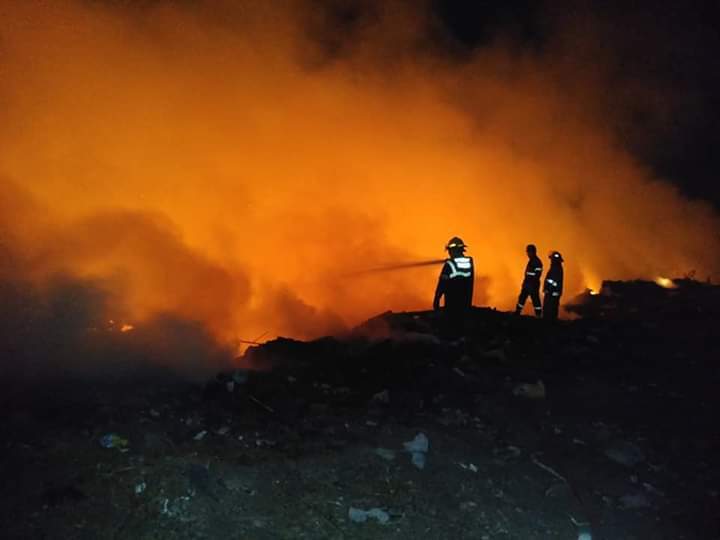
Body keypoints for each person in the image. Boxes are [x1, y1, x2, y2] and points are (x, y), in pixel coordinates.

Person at [433, 236, 474, 316]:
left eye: (450, 251)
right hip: (465, 305)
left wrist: (437, 299)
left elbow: (442, 284)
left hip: (451, 306)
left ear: (451, 251)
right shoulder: (469, 262)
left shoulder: (450, 264)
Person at [515, 244, 543, 317]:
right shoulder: (532, 261)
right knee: (522, 298)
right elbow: (528, 274)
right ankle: (517, 312)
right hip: (528, 284)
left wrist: (531, 283)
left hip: (532, 284)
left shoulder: (537, 261)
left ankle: (538, 315)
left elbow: (537, 274)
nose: (527, 254)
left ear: (532, 252)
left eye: (528, 252)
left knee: (535, 300)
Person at [543, 251, 564, 320]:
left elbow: (555, 281)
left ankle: (550, 322)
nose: (551, 260)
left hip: (553, 291)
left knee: (551, 307)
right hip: (552, 291)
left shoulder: (556, 268)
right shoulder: (555, 267)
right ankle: (549, 321)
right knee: (550, 307)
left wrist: (548, 287)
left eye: (552, 259)